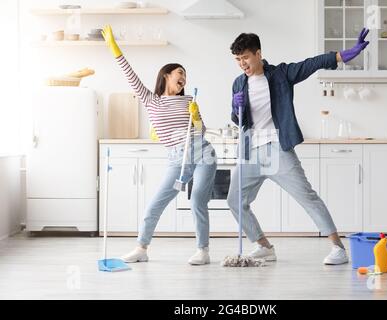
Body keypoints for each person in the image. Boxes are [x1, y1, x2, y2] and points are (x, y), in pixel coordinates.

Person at [227, 29, 370, 264]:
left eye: (245, 57)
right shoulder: (238, 84)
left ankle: (338, 248)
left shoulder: (281, 74)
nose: (242, 64)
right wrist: (235, 106)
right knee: (234, 201)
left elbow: (311, 64)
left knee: (307, 196)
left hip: (277, 148)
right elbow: (238, 120)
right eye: (238, 60)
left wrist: (342, 55)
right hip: (250, 152)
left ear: (258, 53)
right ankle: (264, 246)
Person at [102, 25, 217, 265]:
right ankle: (141, 248)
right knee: (155, 204)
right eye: (179, 72)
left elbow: (201, 130)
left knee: (197, 199)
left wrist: (195, 116)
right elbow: (129, 74)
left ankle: (203, 251)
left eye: (185, 74)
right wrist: (114, 47)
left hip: (202, 152)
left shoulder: (188, 99)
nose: (183, 76)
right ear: (166, 75)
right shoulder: (150, 100)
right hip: (177, 158)